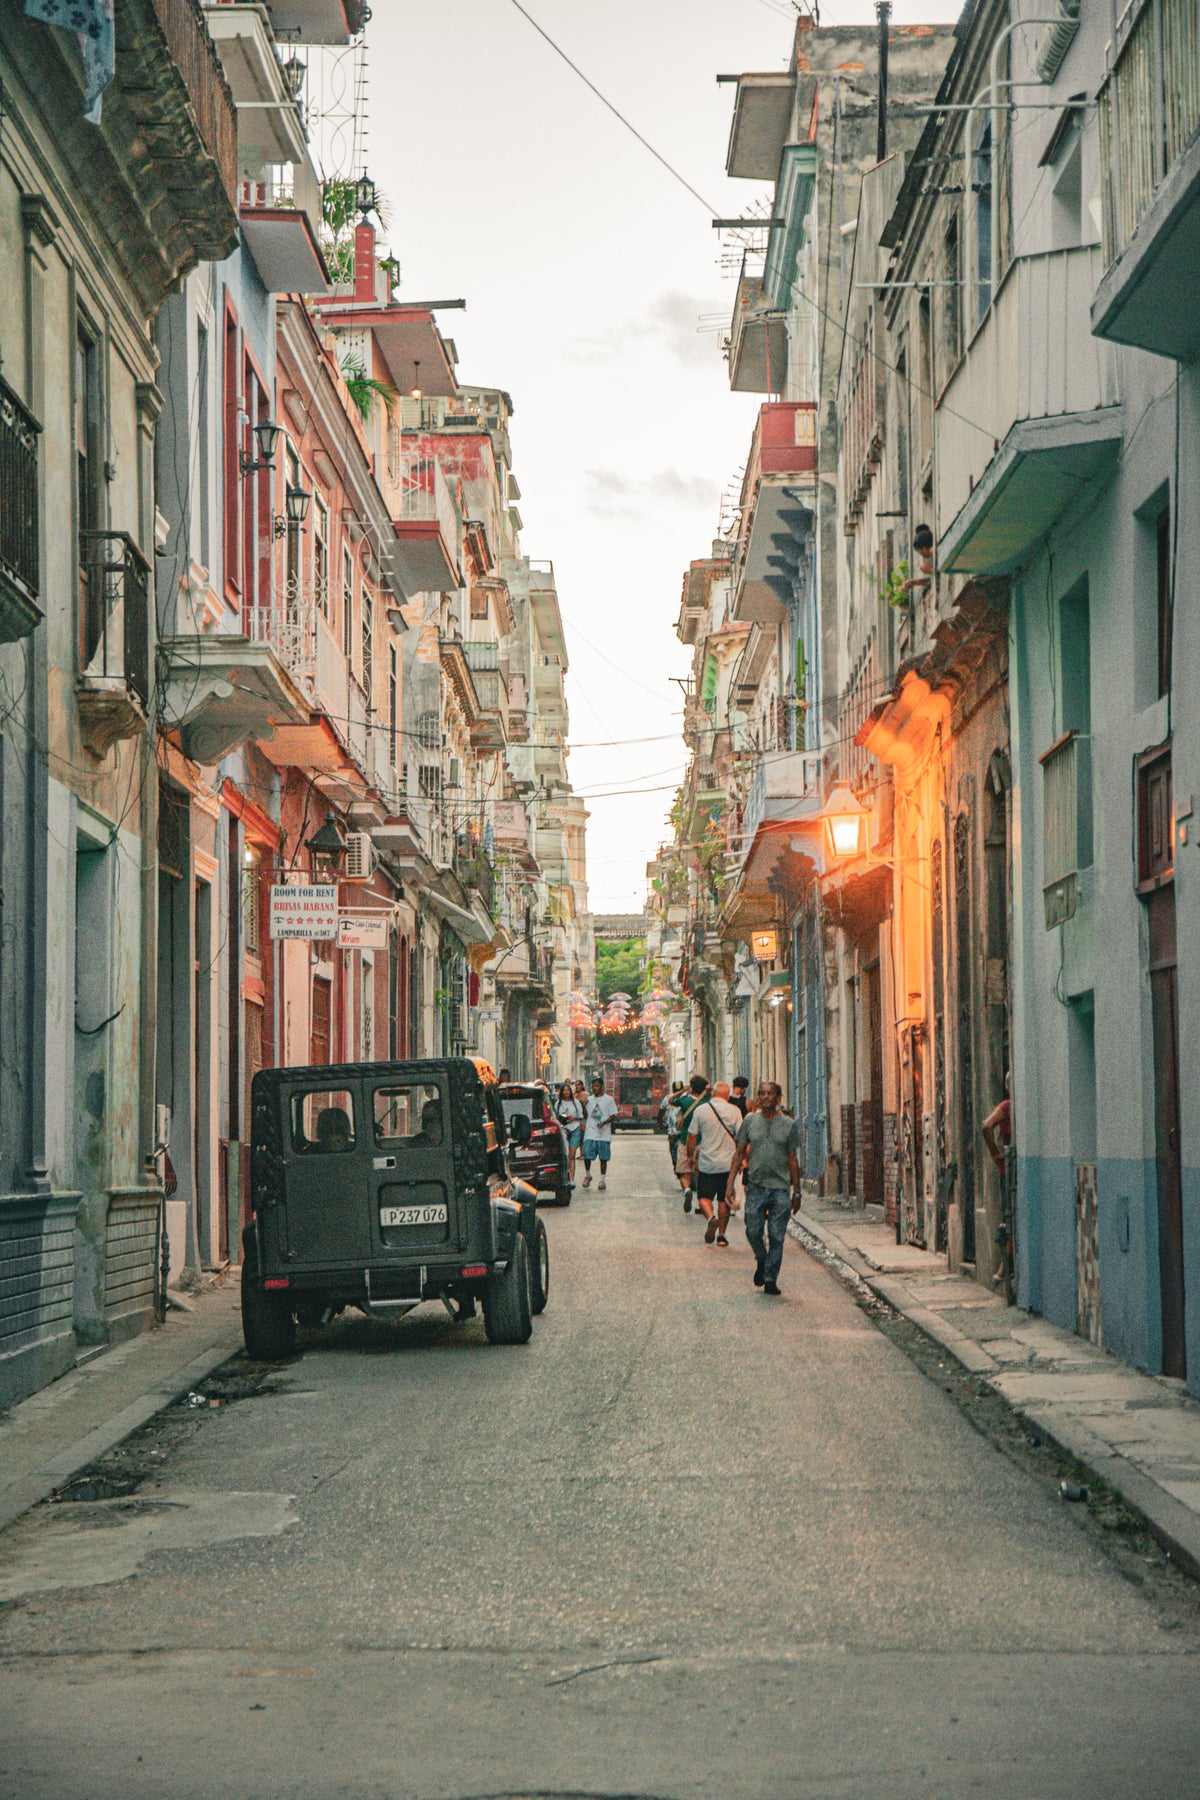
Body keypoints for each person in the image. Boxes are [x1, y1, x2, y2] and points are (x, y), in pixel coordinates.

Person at [725, 1081, 801, 1295]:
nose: (765, 1097)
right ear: (758, 1097)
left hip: (780, 1188)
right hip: (756, 1186)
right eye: (762, 1093)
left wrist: (798, 1191)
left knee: (777, 1236)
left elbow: (792, 1158)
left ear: (778, 1098)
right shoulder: (750, 1122)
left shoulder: (788, 1125)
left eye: (770, 1094)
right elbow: (739, 1153)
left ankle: (770, 1278)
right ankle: (761, 1259)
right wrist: (730, 1184)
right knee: (753, 1230)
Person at [685, 1081, 743, 1247]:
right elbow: (741, 1137)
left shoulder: (701, 1110)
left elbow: (692, 1136)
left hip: (707, 1163)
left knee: (704, 1197)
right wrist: (743, 1159)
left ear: (712, 1094)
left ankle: (711, 1218)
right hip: (729, 1164)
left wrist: (690, 1157)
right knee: (724, 1200)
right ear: (727, 1095)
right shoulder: (735, 1111)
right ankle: (722, 1236)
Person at [674, 1074, 710, 1212]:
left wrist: (683, 1091)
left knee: (684, 1173)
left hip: (685, 1139)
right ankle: (701, 1203)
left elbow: (671, 1100)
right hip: (703, 1141)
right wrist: (708, 1089)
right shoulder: (707, 1101)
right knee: (701, 1174)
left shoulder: (685, 1101)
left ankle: (687, 1190)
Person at [581, 1077, 618, 1190]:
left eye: (596, 1086)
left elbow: (613, 1115)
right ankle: (588, 1175)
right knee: (587, 1154)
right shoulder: (590, 1100)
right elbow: (585, 1115)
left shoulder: (609, 1100)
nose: (594, 1088)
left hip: (603, 1135)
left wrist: (604, 1123)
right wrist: (583, 1104)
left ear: (602, 1087)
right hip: (590, 1133)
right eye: (593, 1086)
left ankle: (602, 1180)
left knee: (603, 1158)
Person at [556, 1079, 585, 1184]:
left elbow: (581, 1117)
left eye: (568, 1090)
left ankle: (572, 1179)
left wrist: (573, 1118)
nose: (567, 1092)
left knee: (572, 1155)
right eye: (564, 1090)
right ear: (562, 1092)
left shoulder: (576, 1103)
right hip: (563, 1131)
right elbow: (555, 1118)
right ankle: (565, 1177)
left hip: (575, 1129)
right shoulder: (558, 1104)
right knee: (565, 1155)